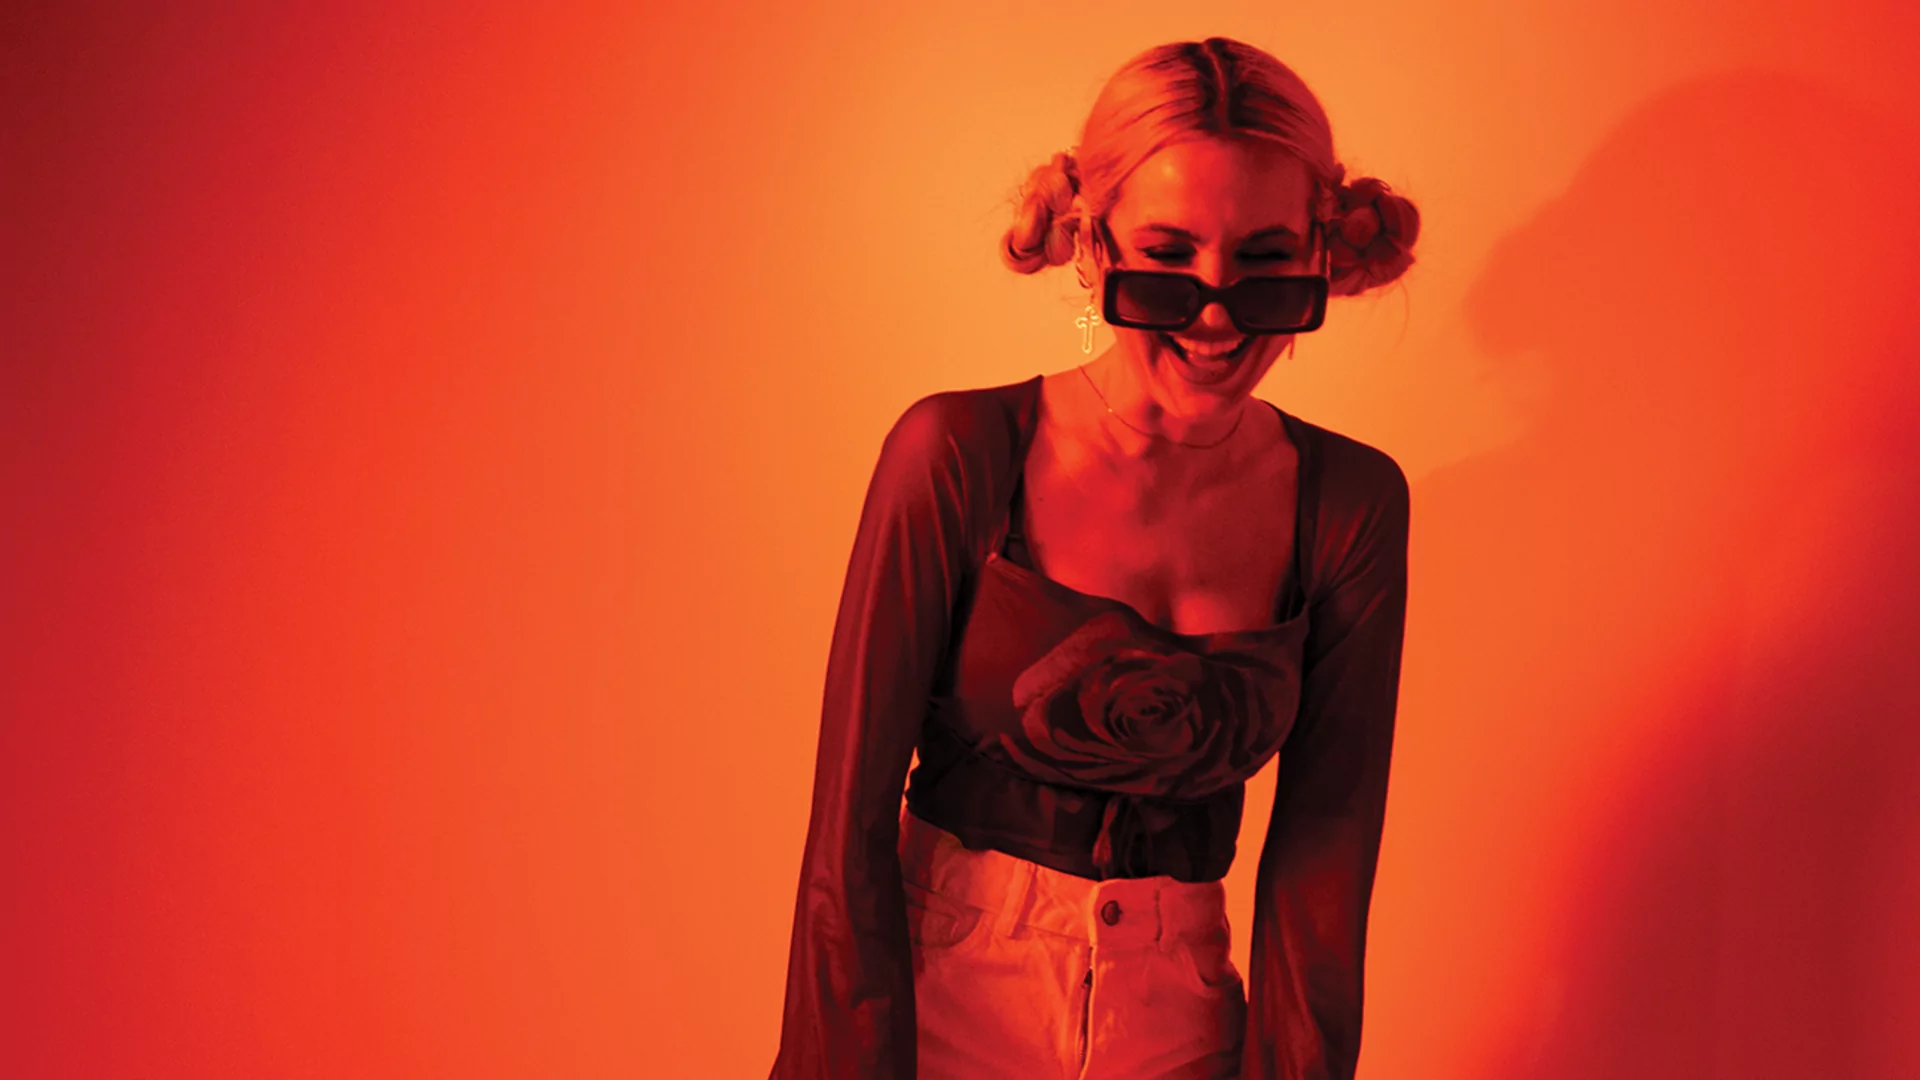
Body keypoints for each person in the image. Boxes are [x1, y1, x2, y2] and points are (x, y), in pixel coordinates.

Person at [769, 36, 1419, 1080]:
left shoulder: (1350, 503)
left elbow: (1323, 869)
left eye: (1263, 268)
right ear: (1093, 241)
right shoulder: (956, 455)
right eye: (1166, 262)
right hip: (940, 1019)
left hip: (1182, 1029)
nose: (1214, 313)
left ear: (1319, 255)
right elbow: (843, 842)